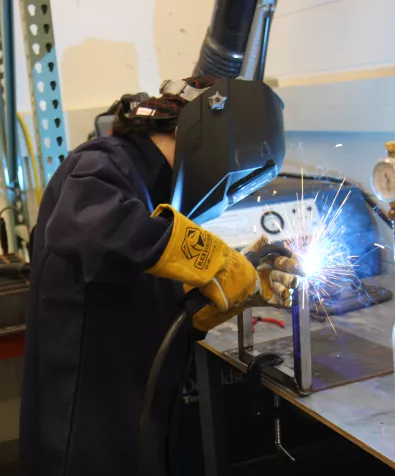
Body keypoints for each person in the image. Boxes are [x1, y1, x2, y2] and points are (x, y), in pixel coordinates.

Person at [18, 76, 300, 476]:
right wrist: (212, 261)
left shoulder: (159, 195)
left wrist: (229, 290)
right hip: (85, 423)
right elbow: (90, 228)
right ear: (207, 137)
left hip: (136, 410)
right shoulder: (103, 161)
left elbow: (145, 284)